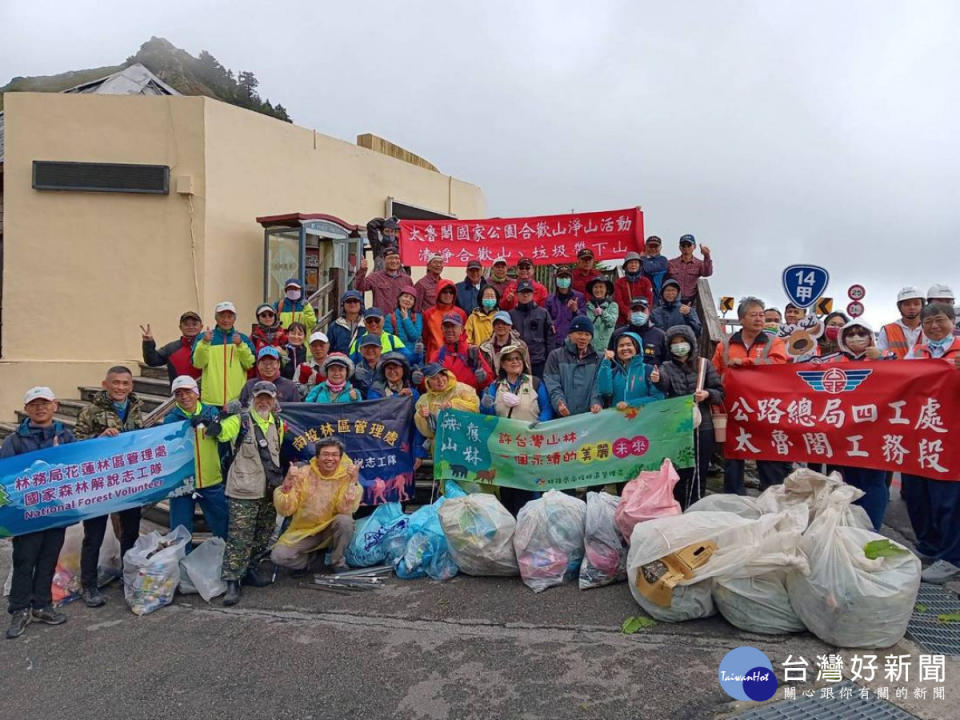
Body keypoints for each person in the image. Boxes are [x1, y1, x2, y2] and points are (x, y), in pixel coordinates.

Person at [206, 381, 286, 606]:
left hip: (269, 491)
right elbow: (220, 433)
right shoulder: (240, 421)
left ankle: (250, 570)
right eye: (259, 397)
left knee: (263, 534)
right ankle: (232, 581)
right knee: (239, 538)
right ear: (252, 399)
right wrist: (217, 421)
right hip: (243, 489)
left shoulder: (278, 423)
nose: (263, 402)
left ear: (274, 401)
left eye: (268, 398)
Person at [3, 387, 74, 639]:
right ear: (26, 409)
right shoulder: (15, 441)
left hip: (56, 511)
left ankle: (42, 605)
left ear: (55, 406)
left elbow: (78, 467)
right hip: (27, 515)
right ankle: (20, 609)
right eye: (34, 404)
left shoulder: (66, 436)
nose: (40, 408)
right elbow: (7, 480)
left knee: (48, 558)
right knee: (24, 560)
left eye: (45, 403)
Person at [74, 366, 146, 608]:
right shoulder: (90, 411)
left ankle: (128, 575)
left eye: (125, 383)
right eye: (115, 383)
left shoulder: (136, 409)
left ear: (131, 386)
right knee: (93, 535)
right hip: (100, 483)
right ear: (105, 384)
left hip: (129, 481)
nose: (120, 388)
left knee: (130, 531)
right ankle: (89, 585)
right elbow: (76, 444)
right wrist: (99, 438)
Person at [902, 303, 960, 583]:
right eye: (928, 323)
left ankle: (952, 557)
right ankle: (928, 546)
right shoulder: (917, 353)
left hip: (952, 436)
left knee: (948, 498)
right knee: (917, 495)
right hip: (919, 433)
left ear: (952, 321)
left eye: (940, 321)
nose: (934, 327)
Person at [815, 321, 892, 531]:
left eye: (861, 334)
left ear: (870, 336)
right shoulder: (835, 360)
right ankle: (854, 526)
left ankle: (872, 528)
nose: (856, 338)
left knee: (874, 480)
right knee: (851, 479)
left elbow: (906, 374)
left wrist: (884, 359)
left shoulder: (886, 357)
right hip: (846, 429)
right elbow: (803, 366)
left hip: (877, 428)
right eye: (850, 334)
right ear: (842, 338)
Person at [711, 297, 789, 495]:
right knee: (733, 455)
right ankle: (734, 499)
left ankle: (772, 498)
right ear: (741, 319)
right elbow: (714, 373)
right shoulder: (725, 344)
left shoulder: (774, 342)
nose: (759, 319)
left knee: (768, 452)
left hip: (766, 406)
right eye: (753, 315)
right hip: (734, 406)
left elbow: (779, 364)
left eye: (761, 315)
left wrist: (746, 362)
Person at [271, 438, 363, 574]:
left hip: (330, 528)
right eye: (325, 454)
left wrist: (353, 481)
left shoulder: (346, 475)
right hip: (304, 530)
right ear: (317, 456)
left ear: (340, 457)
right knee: (278, 556)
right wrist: (289, 480)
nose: (330, 458)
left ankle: (337, 561)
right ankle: (313, 561)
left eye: (334, 455)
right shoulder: (304, 473)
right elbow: (286, 509)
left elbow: (346, 509)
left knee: (345, 521)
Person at [655, 325, 724, 508]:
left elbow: (719, 391)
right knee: (678, 468)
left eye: (682, 341)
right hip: (677, 425)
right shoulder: (666, 366)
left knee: (699, 469)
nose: (679, 346)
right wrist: (657, 379)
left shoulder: (704, 364)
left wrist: (707, 394)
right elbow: (664, 385)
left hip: (703, 425)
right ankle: (676, 507)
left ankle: (696, 506)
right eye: (674, 343)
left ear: (691, 343)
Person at [480, 345, 552, 515]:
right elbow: (487, 417)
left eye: (518, 359)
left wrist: (541, 423)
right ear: (502, 365)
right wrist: (486, 405)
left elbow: (547, 408)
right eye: (510, 359)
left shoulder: (535, 382)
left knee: (530, 489)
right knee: (507, 490)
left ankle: (530, 524)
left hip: (530, 445)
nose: (515, 362)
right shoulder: (495, 386)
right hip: (504, 447)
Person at [163, 376, 228, 541]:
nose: (184, 397)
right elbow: (167, 449)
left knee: (223, 524)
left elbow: (223, 440)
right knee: (180, 530)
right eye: (178, 393)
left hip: (210, 479)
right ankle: (180, 562)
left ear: (196, 393)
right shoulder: (171, 419)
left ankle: (227, 563)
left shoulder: (211, 412)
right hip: (182, 482)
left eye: (187, 392)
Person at [367, 352, 427, 470]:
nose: (392, 371)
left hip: (406, 447)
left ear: (403, 370)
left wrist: (419, 453)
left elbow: (418, 426)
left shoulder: (413, 394)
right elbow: (374, 414)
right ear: (383, 371)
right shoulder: (375, 391)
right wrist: (397, 399)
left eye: (396, 368)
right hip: (381, 447)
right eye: (389, 368)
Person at [191, 301, 256, 408]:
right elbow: (198, 363)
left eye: (229, 316)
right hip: (211, 401)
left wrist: (240, 346)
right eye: (222, 316)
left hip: (236, 400)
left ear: (234, 319)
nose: (226, 320)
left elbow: (249, 364)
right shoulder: (204, 337)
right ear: (216, 318)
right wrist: (204, 343)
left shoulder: (243, 339)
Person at [414, 364, 480, 457]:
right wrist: (420, 416)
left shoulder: (462, 389)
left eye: (442, 376)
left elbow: (475, 410)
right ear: (427, 382)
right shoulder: (424, 400)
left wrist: (454, 404)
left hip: (465, 443)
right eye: (434, 378)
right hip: (441, 449)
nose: (440, 381)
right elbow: (427, 433)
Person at [543, 316, 603, 417]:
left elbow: (598, 385)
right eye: (579, 333)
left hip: (590, 417)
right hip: (563, 418)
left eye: (587, 334)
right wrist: (559, 403)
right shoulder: (556, 356)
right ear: (570, 334)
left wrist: (596, 402)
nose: (583, 337)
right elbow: (552, 383)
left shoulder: (599, 358)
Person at [596, 333, 664, 409]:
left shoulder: (648, 370)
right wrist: (606, 362)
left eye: (629, 345)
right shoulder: (614, 373)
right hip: (618, 419)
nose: (625, 348)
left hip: (644, 418)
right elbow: (605, 391)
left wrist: (630, 404)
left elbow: (658, 398)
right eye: (621, 345)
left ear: (637, 347)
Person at [430, 313, 492, 391]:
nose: (449, 330)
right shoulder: (437, 355)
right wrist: (419, 380)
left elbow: (489, 381)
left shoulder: (472, 352)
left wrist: (484, 378)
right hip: (444, 400)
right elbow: (428, 382)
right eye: (446, 327)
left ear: (461, 329)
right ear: (442, 329)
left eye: (453, 326)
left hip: (469, 400)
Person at [140, 310, 203, 385]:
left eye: (194, 324)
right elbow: (152, 361)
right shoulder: (171, 348)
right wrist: (148, 343)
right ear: (180, 327)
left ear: (201, 326)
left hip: (207, 393)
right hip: (180, 394)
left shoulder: (210, 346)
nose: (190, 327)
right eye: (186, 324)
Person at [510, 280, 555, 378]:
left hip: (539, 361)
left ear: (533, 294)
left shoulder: (543, 313)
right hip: (518, 362)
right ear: (517, 294)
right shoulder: (511, 315)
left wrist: (550, 359)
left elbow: (550, 339)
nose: (525, 295)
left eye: (528, 292)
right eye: (522, 292)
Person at [609, 297, 668, 367]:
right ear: (629, 313)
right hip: (624, 376)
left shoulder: (660, 335)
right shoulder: (618, 334)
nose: (639, 313)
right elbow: (611, 360)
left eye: (642, 310)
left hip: (651, 376)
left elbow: (666, 363)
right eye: (635, 310)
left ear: (648, 312)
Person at [354, 246, 413, 314]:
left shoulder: (407, 279)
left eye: (396, 258)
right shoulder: (375, 277)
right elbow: (359, 287)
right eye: (390, 258)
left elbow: (412, 299)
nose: (394, 261)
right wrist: (362, 270)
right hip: (381, 320)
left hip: (401, 320)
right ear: (384, 260)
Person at [479, 311, 532, 376]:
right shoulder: (484, 347)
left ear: (510, 326)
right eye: (497, 323)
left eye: (504, 323)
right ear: (493, 326)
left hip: (516, 383)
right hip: (491, 384)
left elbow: (527, 368)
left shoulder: (521, 345)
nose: (500, 326)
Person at [423, 279, 466, 359]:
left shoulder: (461, 313)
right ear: (438, 293)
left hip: (456, 357)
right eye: (445, 292)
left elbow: (463, 336)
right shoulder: (428, 314)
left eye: (451, 292)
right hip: (434, 359)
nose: (448, 295)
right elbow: (425, 337)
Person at [877, 287, 925, 359]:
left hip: (924, 369)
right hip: (895, 369)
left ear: (922, 306)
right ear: (899, 307)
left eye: (916, 304)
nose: (912, 307)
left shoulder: (930, 328)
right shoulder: (888, 330)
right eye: (907, 304)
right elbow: (879, 355)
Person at [546, 268, 586, 349]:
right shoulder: (550, 299)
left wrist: (575, 310)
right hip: (555, 341)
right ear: (556, 280)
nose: (563, 280)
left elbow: (584, 319)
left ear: (571, 280)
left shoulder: (579, 297)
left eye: (566, 277)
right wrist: (550, 324)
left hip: (573, 341)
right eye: (561, 277)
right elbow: (546, 318)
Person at [667, 234, 713, 304]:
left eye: (688, 245)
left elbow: (707, 273)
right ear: (679, 247)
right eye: (683, 245)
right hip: (673, 301)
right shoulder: (671, 263)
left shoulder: (699, 264)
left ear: (694, 246)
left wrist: (707, 256)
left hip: (691, 301)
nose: (686, 247)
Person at [613, 252, 654, 325]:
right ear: (626, 266)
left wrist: (642, 314)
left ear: (639, 265)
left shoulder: (646, 281)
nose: (633, 265)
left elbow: (649, 301)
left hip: (643, 318)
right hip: (624, 321)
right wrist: (629, 313)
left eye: (636, 263)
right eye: (630, 263)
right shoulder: (619, 282)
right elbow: (618, 301)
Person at [383, 286, 424, 354]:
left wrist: (406, 319)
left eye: (411, 299)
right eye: (405, 296)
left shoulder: (417, 317)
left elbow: (415, 337)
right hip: (397, 357)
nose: (408, 300)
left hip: (414, 357)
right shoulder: (390, 317)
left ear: (414, 303)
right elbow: (388, 341)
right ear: (399, 298)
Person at [585, 277, 619, 353]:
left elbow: (611, 323)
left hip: (605, 347)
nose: (598, 290)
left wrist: (603, 313)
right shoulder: (587, 306)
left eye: (601, 287)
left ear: (606, 289)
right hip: (589, 347)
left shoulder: (613, 305)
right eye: (595, 287)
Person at [327, 290, 364, 355]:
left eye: (355, 301)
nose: (352, 304)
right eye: (349, 301)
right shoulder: (334, 326)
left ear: (361, 304)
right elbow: (329, 349)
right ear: (343, 304)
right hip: (340, 363)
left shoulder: (367, 325)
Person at [295, 331, 329, 396]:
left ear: (328, 346)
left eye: (321, 345)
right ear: (310, 348)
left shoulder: (336, 365)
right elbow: (295, 391)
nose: (318, 348)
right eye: (314, 346)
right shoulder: (302, 367)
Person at [640, 236, 670, 303]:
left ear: (660, 247)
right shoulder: (639, 261)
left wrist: (642, 258)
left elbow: (649, 269)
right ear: (646, 247)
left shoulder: (663, 260)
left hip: (658, 298)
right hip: (642, 297)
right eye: (651, 246)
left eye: (655, 246)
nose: (653, 249)